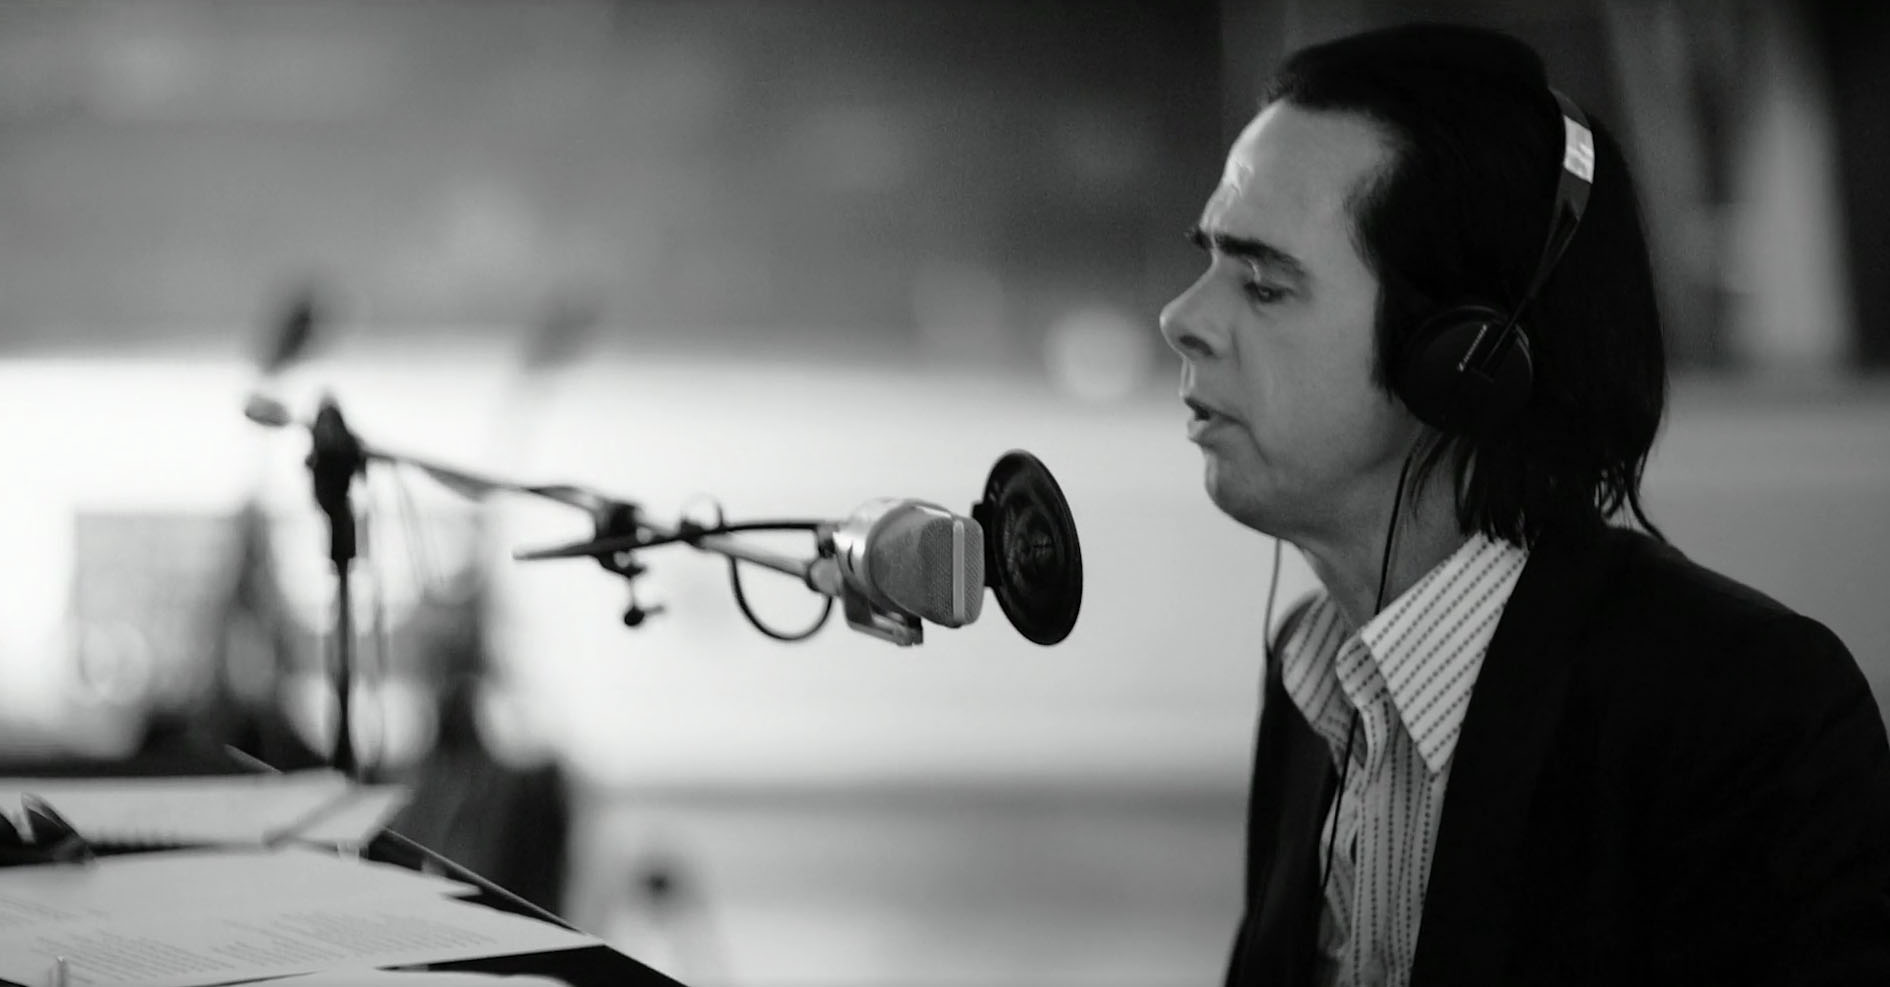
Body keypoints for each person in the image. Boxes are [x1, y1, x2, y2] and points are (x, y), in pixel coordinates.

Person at [1157, 22, 1890, 987]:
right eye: (1209, 262)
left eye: (1262, 284)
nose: (1182, 318)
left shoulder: (1747, 713)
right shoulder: (1311, 669)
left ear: (1463, 356)